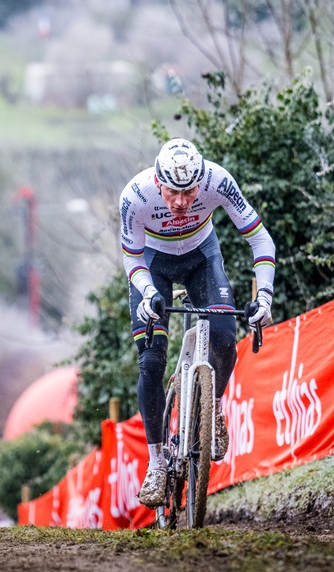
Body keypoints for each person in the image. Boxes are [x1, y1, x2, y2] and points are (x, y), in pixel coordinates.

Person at [119, 137, 275, 507]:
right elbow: (131, 258)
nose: (181, 202)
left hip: (202, 258)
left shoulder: (218, 181)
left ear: (200, 182)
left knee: (224, 337)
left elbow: (260, 238)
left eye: (189, 192)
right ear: (159, 183)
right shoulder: (135, 197)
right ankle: (156, 463)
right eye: (173, 192)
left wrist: (265, 296)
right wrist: (145, 291)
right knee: (151, 361)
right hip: (152, 266)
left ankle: (211, 408)